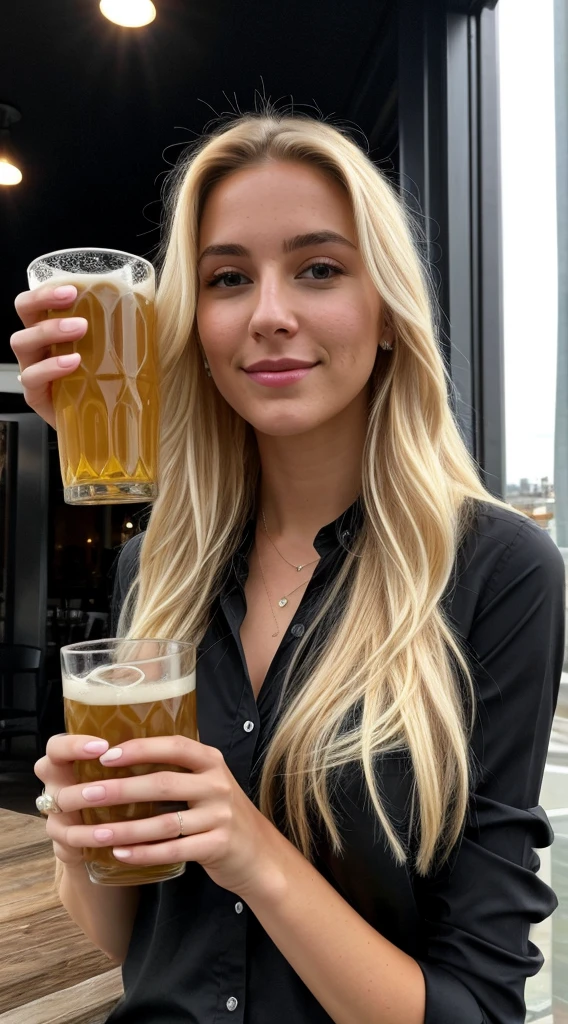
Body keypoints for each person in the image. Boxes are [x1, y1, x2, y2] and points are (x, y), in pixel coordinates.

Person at [11, 112, 565, 1024]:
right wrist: (85, 839)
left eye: (319, 268)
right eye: (228, 279)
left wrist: (250, 851)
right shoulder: (160, 567)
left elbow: (476, 1007)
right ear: (194, 326)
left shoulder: (498, 571)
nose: (270, 313)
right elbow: (143, 944)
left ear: (386, 312)